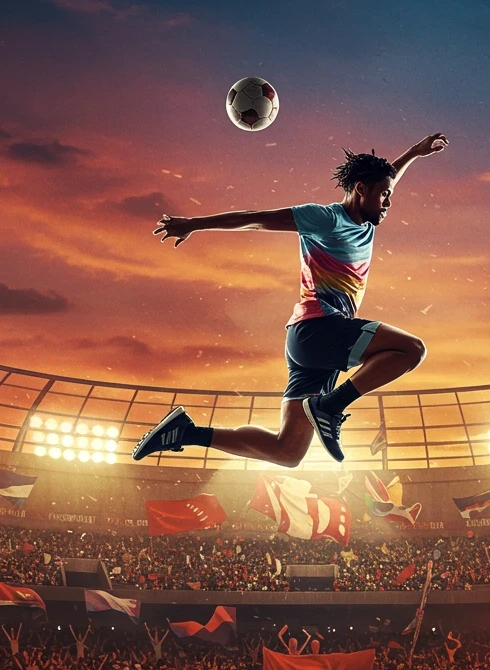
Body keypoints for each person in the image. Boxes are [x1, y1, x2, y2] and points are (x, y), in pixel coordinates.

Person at [134, 134, 449, 465]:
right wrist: (194, 224)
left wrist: (414, 152)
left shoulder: (366, 219)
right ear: (360, 190)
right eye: (384, 195)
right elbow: (256, 219)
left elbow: (385, 178)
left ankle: (187, 433)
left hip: (310, 347)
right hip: (321, 328)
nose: (388, 201)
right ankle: (330, 406)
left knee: (288, 451)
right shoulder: (326, 219)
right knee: (411, 350)